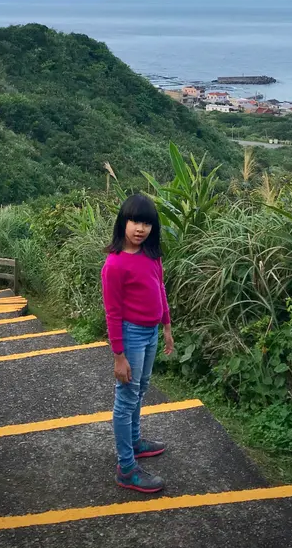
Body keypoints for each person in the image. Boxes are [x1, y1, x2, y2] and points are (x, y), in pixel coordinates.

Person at [101, 193, 174, 493]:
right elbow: (112, 312)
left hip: (150, 333)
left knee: (141, 389)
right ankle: (126, 468)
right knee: (127, 396)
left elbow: (160, 289)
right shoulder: (115, 265)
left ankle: (134, 440)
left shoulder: (152, 255)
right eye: (134, 221)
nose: (140, 228)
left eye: (146, 223)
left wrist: (166, 327)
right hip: (130, 335)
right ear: (123, 223)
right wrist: (118, 355)